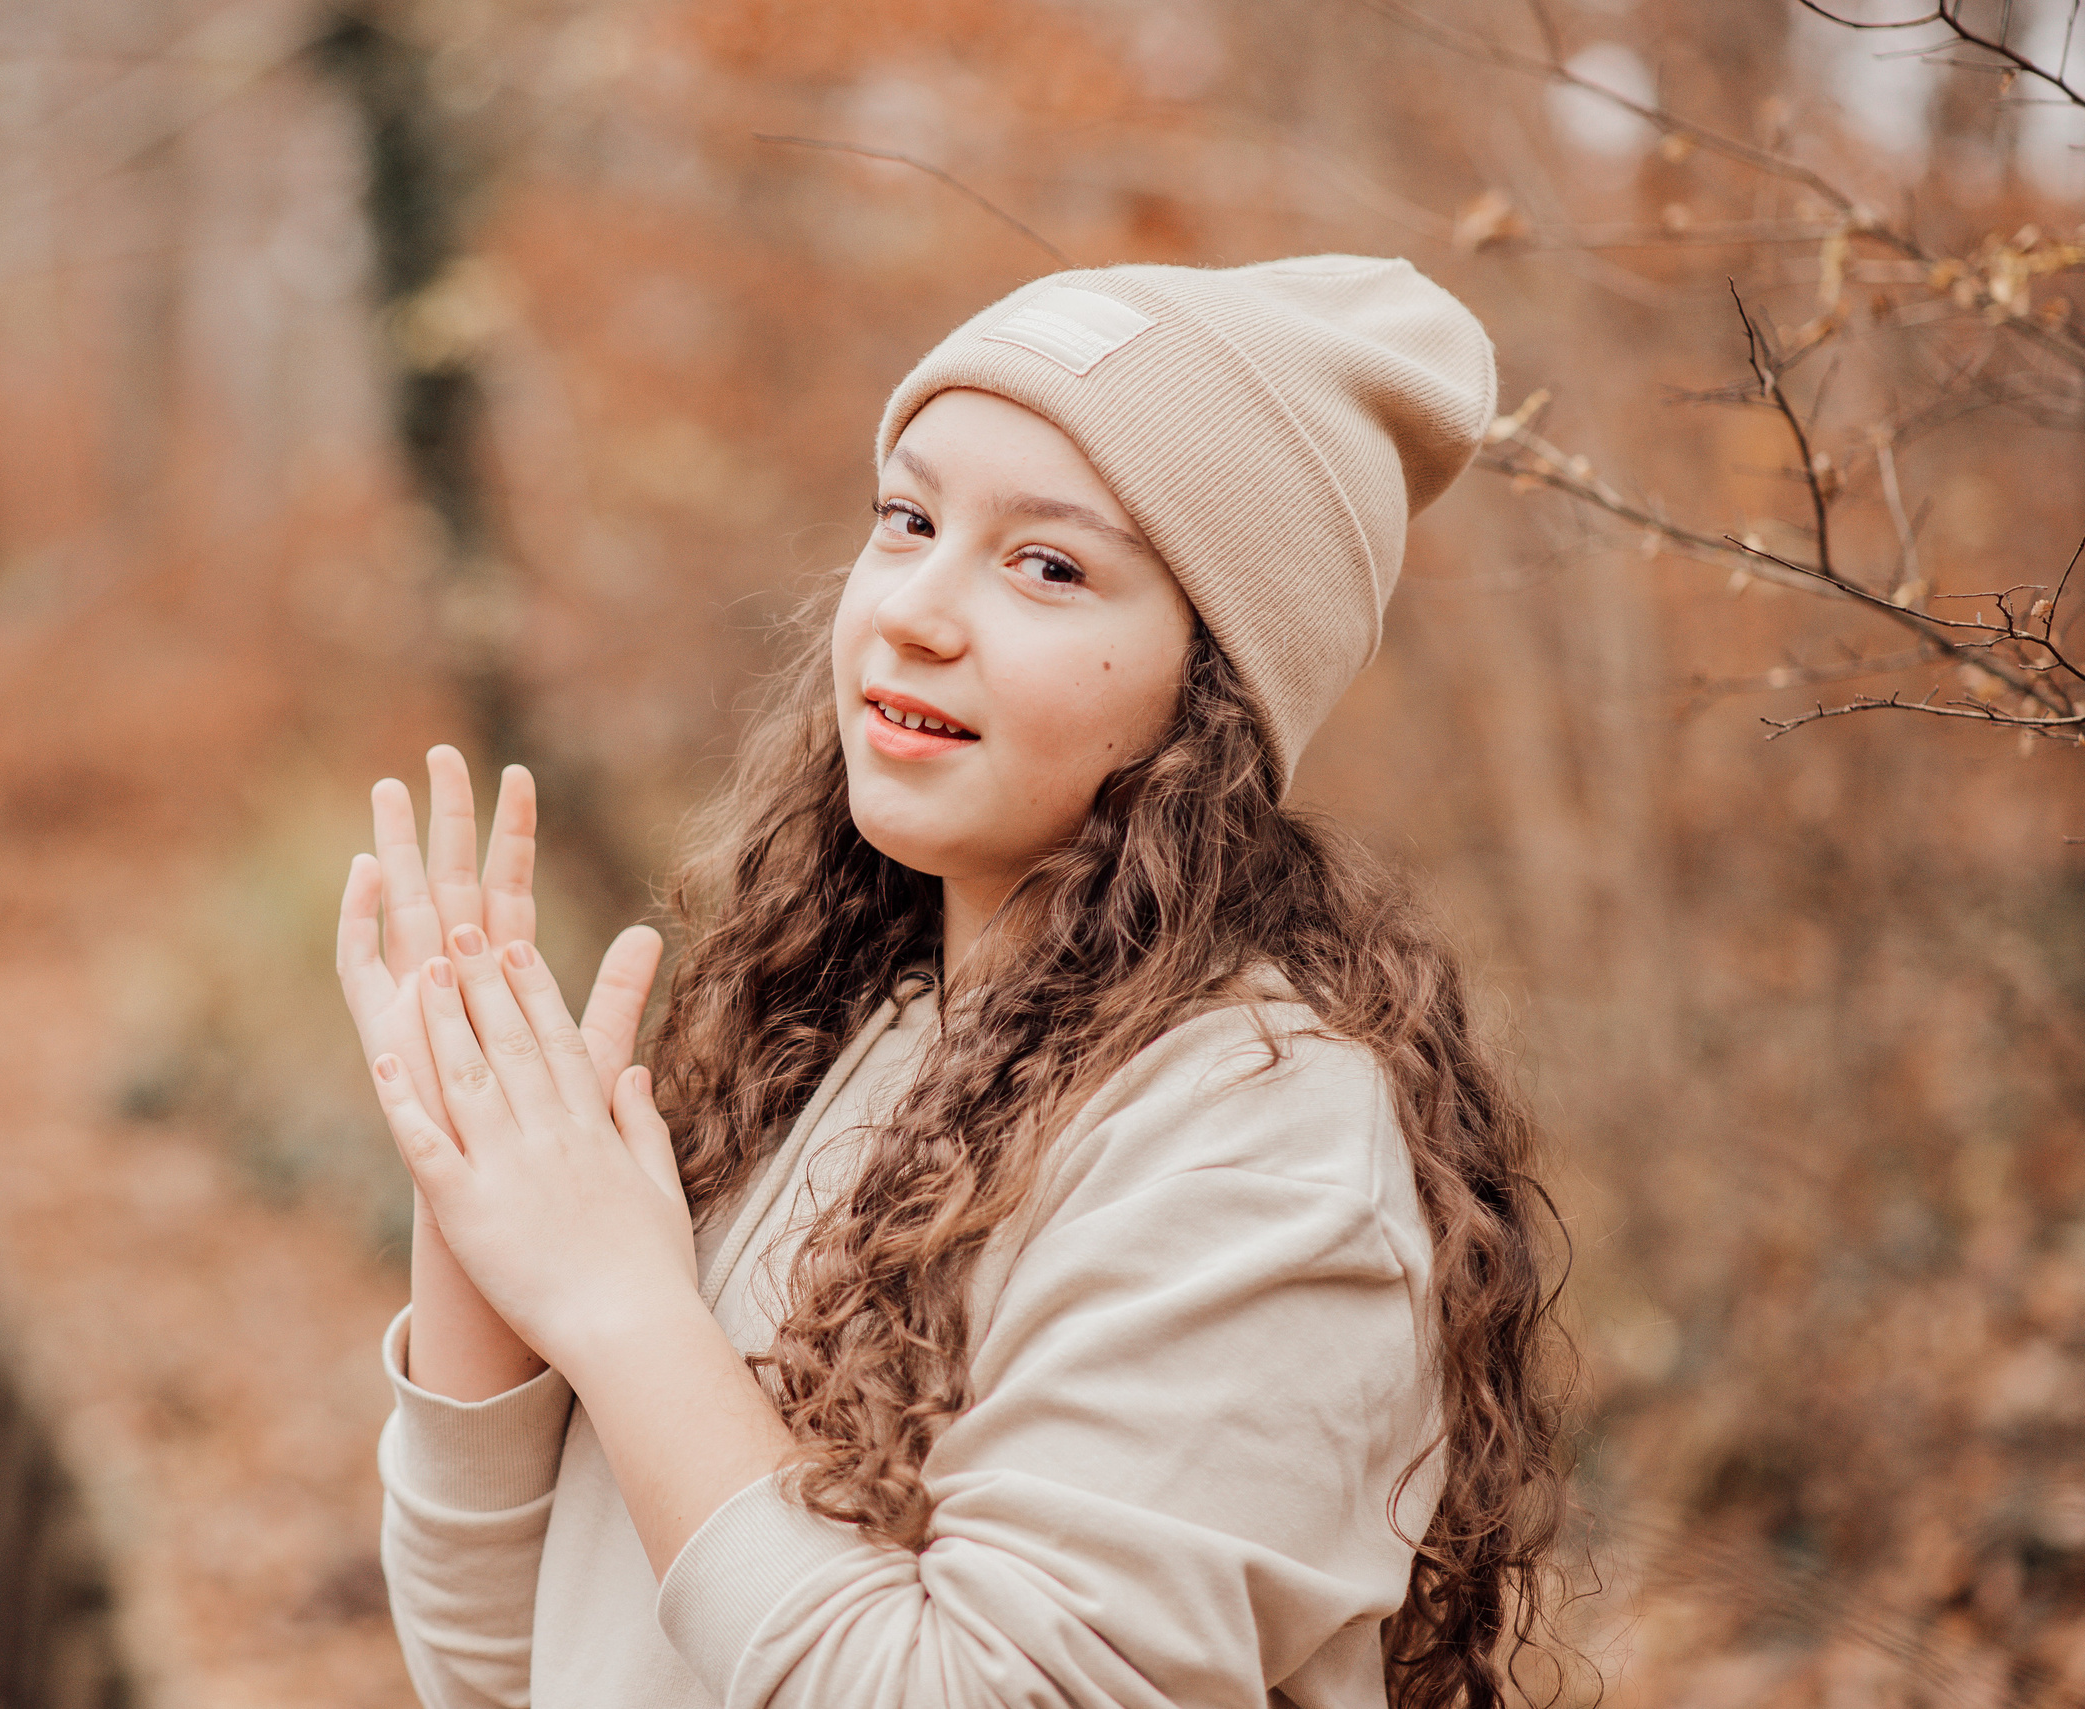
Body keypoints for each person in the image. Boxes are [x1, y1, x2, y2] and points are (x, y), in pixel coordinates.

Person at [336, 258, 1571, 1709]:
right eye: (907, 521)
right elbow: (516, 1670)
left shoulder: (1261, 1144)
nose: (915, 608)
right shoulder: (853, 1041)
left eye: (1047, 565)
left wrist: (620, 1305)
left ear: (1216, 689)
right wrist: (479, 1186)